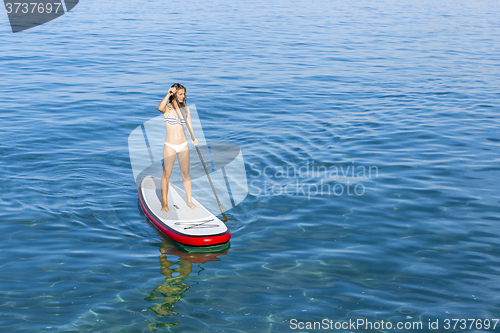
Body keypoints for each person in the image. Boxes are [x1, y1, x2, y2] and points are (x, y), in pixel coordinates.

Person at [158, 83, 198, 212]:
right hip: (170, 145)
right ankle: (165, 203)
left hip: (183, 144)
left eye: (184, 94)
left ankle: (189, 201)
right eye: (180, 94)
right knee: (166, 175)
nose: (183, 96)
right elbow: (159, 108)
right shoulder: (167, 108)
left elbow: (189, 126)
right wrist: (168, 93)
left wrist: (193, 138)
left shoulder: (186, 109)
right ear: (174, 94)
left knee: (186, 174)